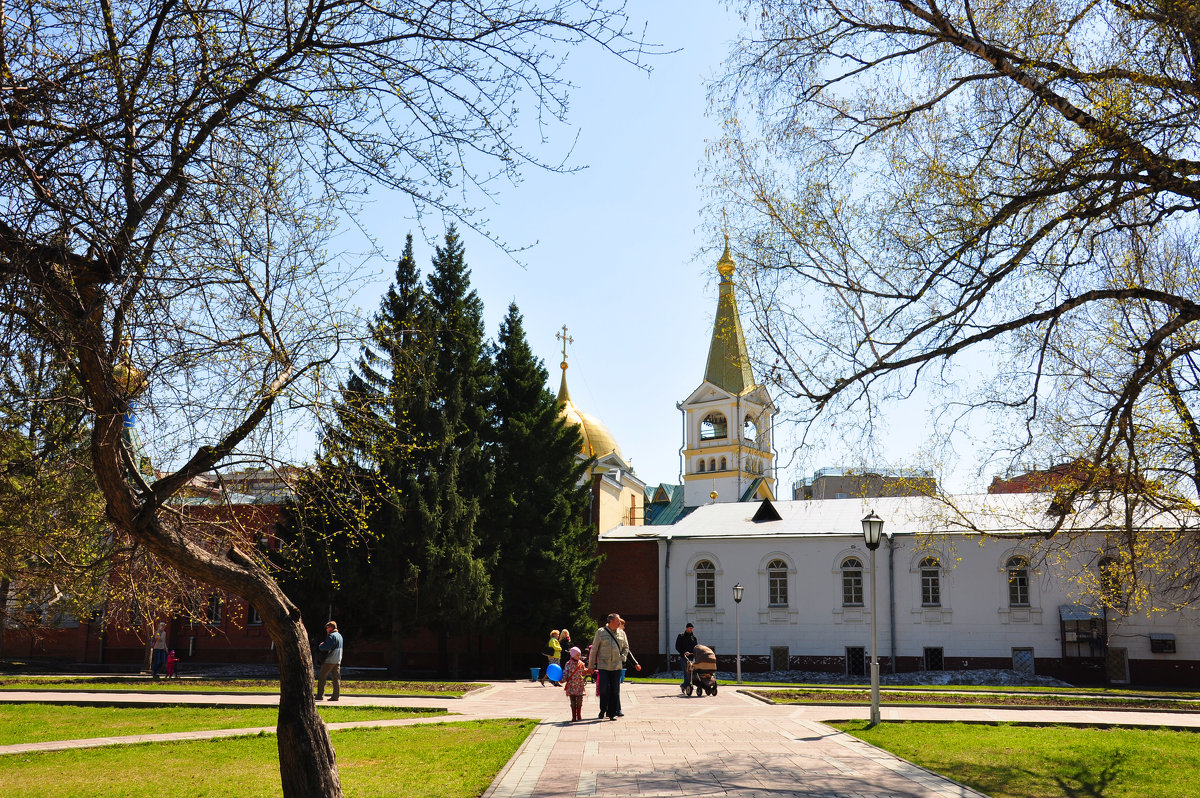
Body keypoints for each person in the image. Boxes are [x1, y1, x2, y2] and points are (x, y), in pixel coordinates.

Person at [588, 613, 640, 719]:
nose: (620, 623)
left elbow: (626, 648)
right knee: (604, 689)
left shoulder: (622, 633)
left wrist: (623, 658)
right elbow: (594, 650)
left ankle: (611, 713)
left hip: (617, 666)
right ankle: (603, 709)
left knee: (615, 691)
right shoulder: (600, 632)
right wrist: (591, 665)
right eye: (618, 621)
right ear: (611, 621)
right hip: (603, 666)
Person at [315, 620, 343, 701]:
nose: (326, 629)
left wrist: (321, 645)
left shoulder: (331, 636)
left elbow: (325, 647)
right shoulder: (340, 636)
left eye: (327, 627)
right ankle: (335, 696)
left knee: (322, 677)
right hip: (337, 660)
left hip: (329, 660)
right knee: (336, 678)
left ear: (331, 627)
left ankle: (320, 695)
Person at [561, 646, 590, 722]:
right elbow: (565, 673)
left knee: (580, 701)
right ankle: (574, 716)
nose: (579, 656)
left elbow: (584, 672)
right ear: (572, 655)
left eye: (579, 655)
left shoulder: (581, 664)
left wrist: (590, 671)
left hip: (579, 685)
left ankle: (579, 715)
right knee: (573, 702)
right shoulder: (568, 664)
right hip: (571, 686)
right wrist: (562, 680)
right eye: (577, 655)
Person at [675, 622, 697, 692]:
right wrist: (683, 653)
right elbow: (677, 646)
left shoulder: (694, 637)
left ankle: (684, 685)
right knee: (686, 672)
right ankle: (687, 686)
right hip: (684, 657)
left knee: (692, 672)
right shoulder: (681, 636)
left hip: (692, 657)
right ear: (687, 628)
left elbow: (696, 647)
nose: (691, 630)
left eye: (692, 628)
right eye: (690, 628)